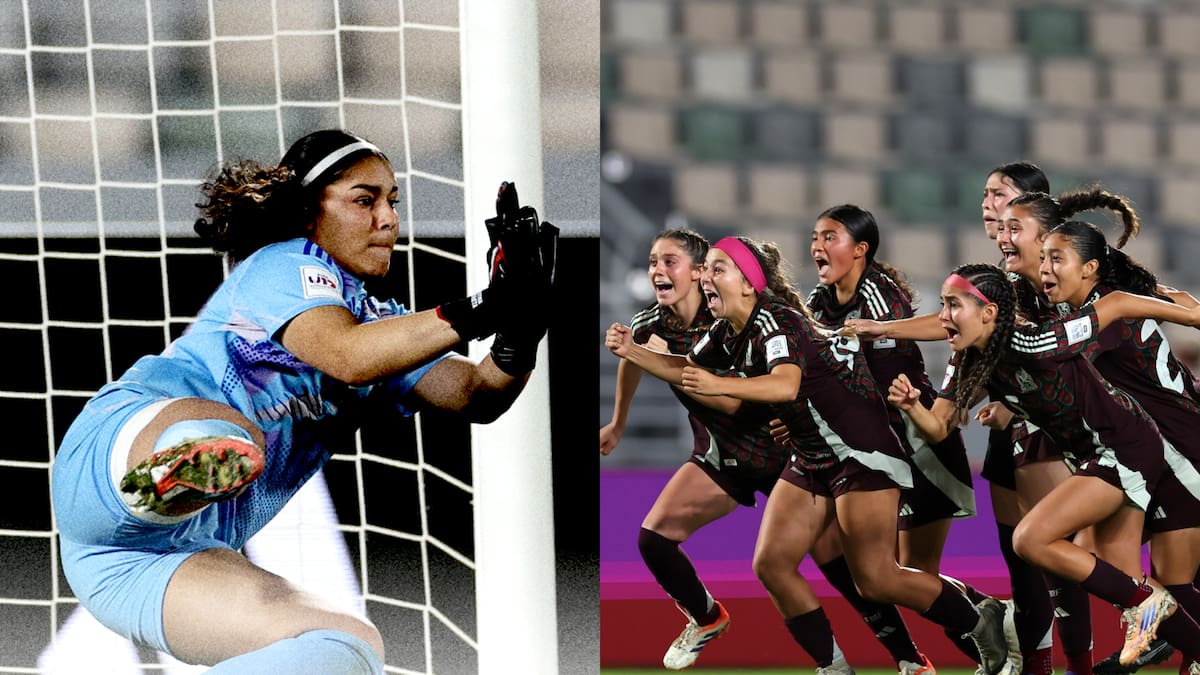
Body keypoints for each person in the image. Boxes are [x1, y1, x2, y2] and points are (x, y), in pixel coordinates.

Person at [50, 129, 556, 673]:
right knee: (225, 437)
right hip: (116, 450)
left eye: (392, 202)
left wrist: (519, 329)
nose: (388, 220)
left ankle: (179, 484)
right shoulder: (284, 263)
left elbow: (475, 394)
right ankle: (170, 474)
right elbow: (347, 355)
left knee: (344, 646)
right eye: (365, 200)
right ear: (308, 212)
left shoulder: (379, 321)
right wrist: (482, 307)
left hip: (132, 563)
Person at [608, 236, 1012, 675]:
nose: (706, 276)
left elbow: (784, 384)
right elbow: (690, 369)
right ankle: (834, 667)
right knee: (772, 564)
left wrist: (721, 385)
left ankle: (981, 618)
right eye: (707, 269)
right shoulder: (725, 331)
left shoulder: (776, 321)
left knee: (875, 579)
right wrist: (635, 352)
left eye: (717, 268)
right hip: (810, 455)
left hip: (860, 450)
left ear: (748, 284)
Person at [882, 263, 1200, 673]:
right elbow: (939, 426)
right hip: (1093, 454)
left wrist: (1192, 315)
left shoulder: (1038, 339)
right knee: (1112, 570)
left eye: (953, 305)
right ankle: (1154, 613)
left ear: (989, 311)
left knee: (1031, 539)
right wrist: (912, 408)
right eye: (943, 305)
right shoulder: (970, 358)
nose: (943, 316)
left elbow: (1118, 303)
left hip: (1123, 446)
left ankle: (1147, 605)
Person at [802, 205, 979, 667]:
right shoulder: (819, 305)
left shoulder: (878, 292)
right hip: (871, 453)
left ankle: (997, 637)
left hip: (918, 447)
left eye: (830, 236)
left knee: (911, 578)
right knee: (888, 576)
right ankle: (987, 641)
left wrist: (878, 329)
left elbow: (946, 322)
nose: (817, 245)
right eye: (815, 236)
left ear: (860, 249)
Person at [1038, 217, 1200, 674]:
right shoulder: (1114, 297)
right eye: (1044, 256)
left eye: (1056, 258)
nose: (1046, 267)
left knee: (1173, 579)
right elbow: (1185, 302)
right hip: (1163, 447)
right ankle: (1151, 625)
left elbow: (1056, 362)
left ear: (1089, 268)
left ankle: (1152, 627)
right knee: (1097, 548)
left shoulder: (1101, 315)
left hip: (1181, 451)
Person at [599, 229, 739, 670]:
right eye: (652, 262)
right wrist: (618, 422)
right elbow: (632, 357)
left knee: (844, 562)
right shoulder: (649, 325)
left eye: (669, 261)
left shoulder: (729, 320)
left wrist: (649, 358)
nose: (658, 270)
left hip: (781, 446)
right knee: (653, 540)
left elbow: (729, 397)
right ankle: (707, 617)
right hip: (721, 455)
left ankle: (932, 613)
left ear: (700, 273)